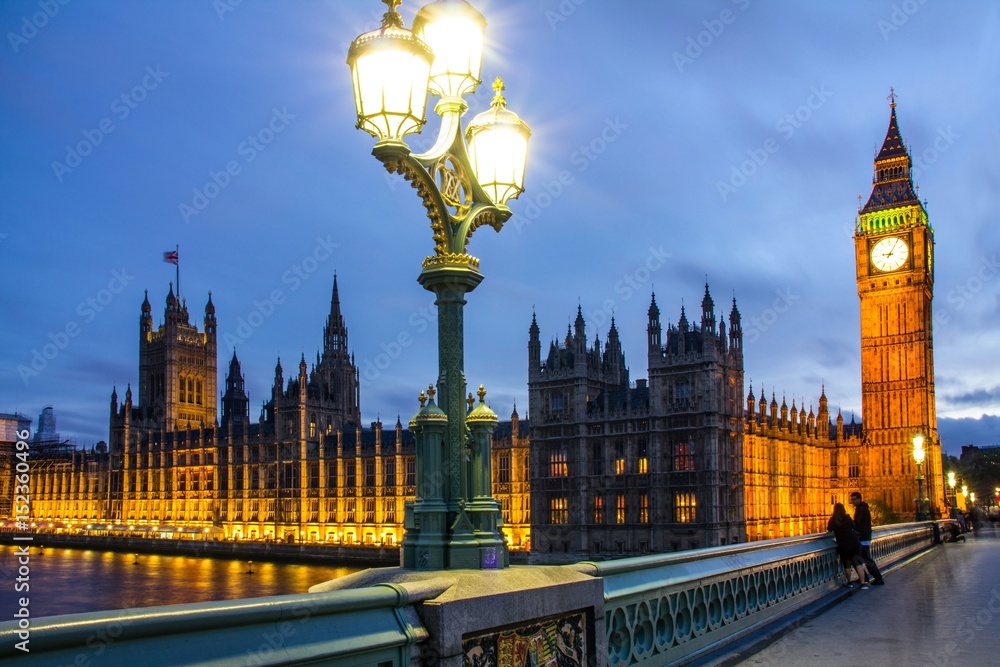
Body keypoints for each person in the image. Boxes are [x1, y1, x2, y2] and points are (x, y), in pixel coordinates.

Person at [828, 502, 871, 589]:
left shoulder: (833, 520)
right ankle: (863, 583)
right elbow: (853, 525)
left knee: (847, 564)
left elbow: (829, 529)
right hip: (854, 542)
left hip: (843, 544)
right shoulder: (847, 518)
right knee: (858, 563)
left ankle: (849, 582)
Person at [850, 491, 885, 585]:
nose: (852, 501)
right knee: (860, 558)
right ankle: (864, 577)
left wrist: (850, 524)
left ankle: (878, 578)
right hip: (864, 537)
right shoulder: (862, 508)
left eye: (854, 499)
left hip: (863, 539)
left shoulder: (861, 509)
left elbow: (858, 523)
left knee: (865, 559)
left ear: (859, 499)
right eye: (851, 499)